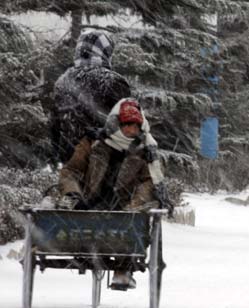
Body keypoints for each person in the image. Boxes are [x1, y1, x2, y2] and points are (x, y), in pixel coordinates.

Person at [59, 98, 172, 290]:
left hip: (124, 207)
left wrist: (135, 206)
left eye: (135, 126)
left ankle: (122, 270)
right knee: (89, 226)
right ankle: (95, 253)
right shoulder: (93, 142)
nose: (130, 130)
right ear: (117, 124)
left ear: (140, 127)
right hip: (90, 204)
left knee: (130, 226)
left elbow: (149, 182)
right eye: (126, 125)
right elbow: (70, 171)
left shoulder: (145, 151)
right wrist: (73, 194)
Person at [51, 30, 131, 163]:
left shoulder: (62, 81)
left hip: (70, 161)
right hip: (103, 161)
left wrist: (58, 158)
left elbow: (55, 125)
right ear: (106, 51)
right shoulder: (113, 81)